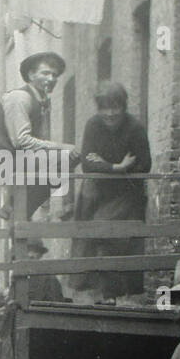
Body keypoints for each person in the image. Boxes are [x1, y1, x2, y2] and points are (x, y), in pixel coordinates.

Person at [69, 81, 152, 304]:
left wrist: (107, 165)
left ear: (123, 107)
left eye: (115, 107)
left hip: (126, 195)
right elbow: (87, 162)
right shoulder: (93, 125)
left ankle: (124, 296)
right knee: (89, 239)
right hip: (96, 193)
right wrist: (116, 167)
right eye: (104, 107)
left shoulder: (135, 128)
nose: (110, 113)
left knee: (120, 240)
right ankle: (95, 296)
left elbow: (144, 164)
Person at [0, 51, 80, 220]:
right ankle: (17, 210)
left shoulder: (40, 101)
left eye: (54, 75)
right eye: (45, 73)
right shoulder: (20, 97)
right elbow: (22, 141)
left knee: (64, 162)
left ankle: (15, 209)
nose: (51, 79)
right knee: (67, 156)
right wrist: (64, 147)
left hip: (14, 158)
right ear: (31, 74)